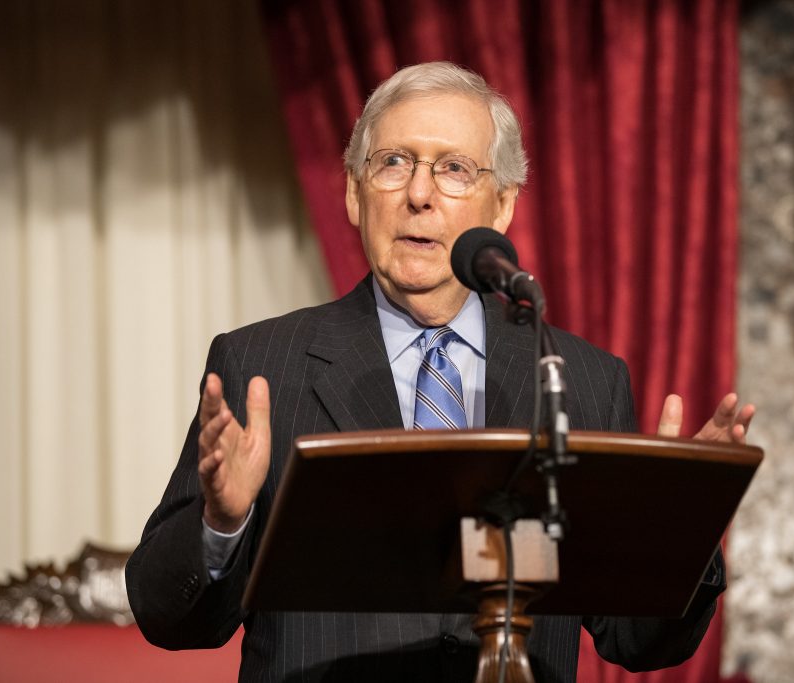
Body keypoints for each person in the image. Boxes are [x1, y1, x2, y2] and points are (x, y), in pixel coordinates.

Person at [125, 62, 754, 683]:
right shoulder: (263, 365)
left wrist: (681, 525)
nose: (419, 195)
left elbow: (636, 641)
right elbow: (167, 618)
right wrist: (221, 523)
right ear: (353, 192)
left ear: (503, 205)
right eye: (394, 162)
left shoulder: (580, 379)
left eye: (454, 169)